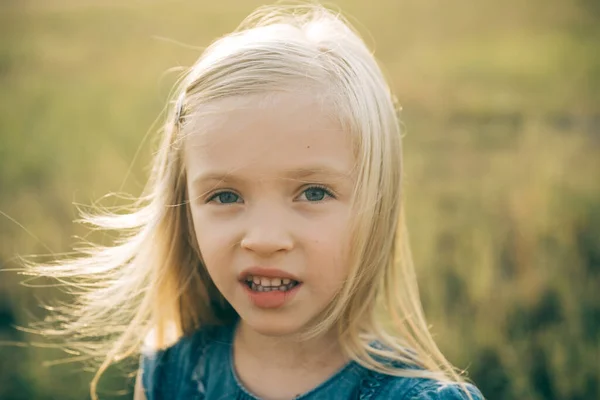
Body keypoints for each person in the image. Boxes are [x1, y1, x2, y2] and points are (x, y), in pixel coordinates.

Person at [28, 3, 484, 400]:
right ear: (185, 211)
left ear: (376, 206)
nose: (264, 240)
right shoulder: (169, 375)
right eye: (225, 195)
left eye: (313, 192)